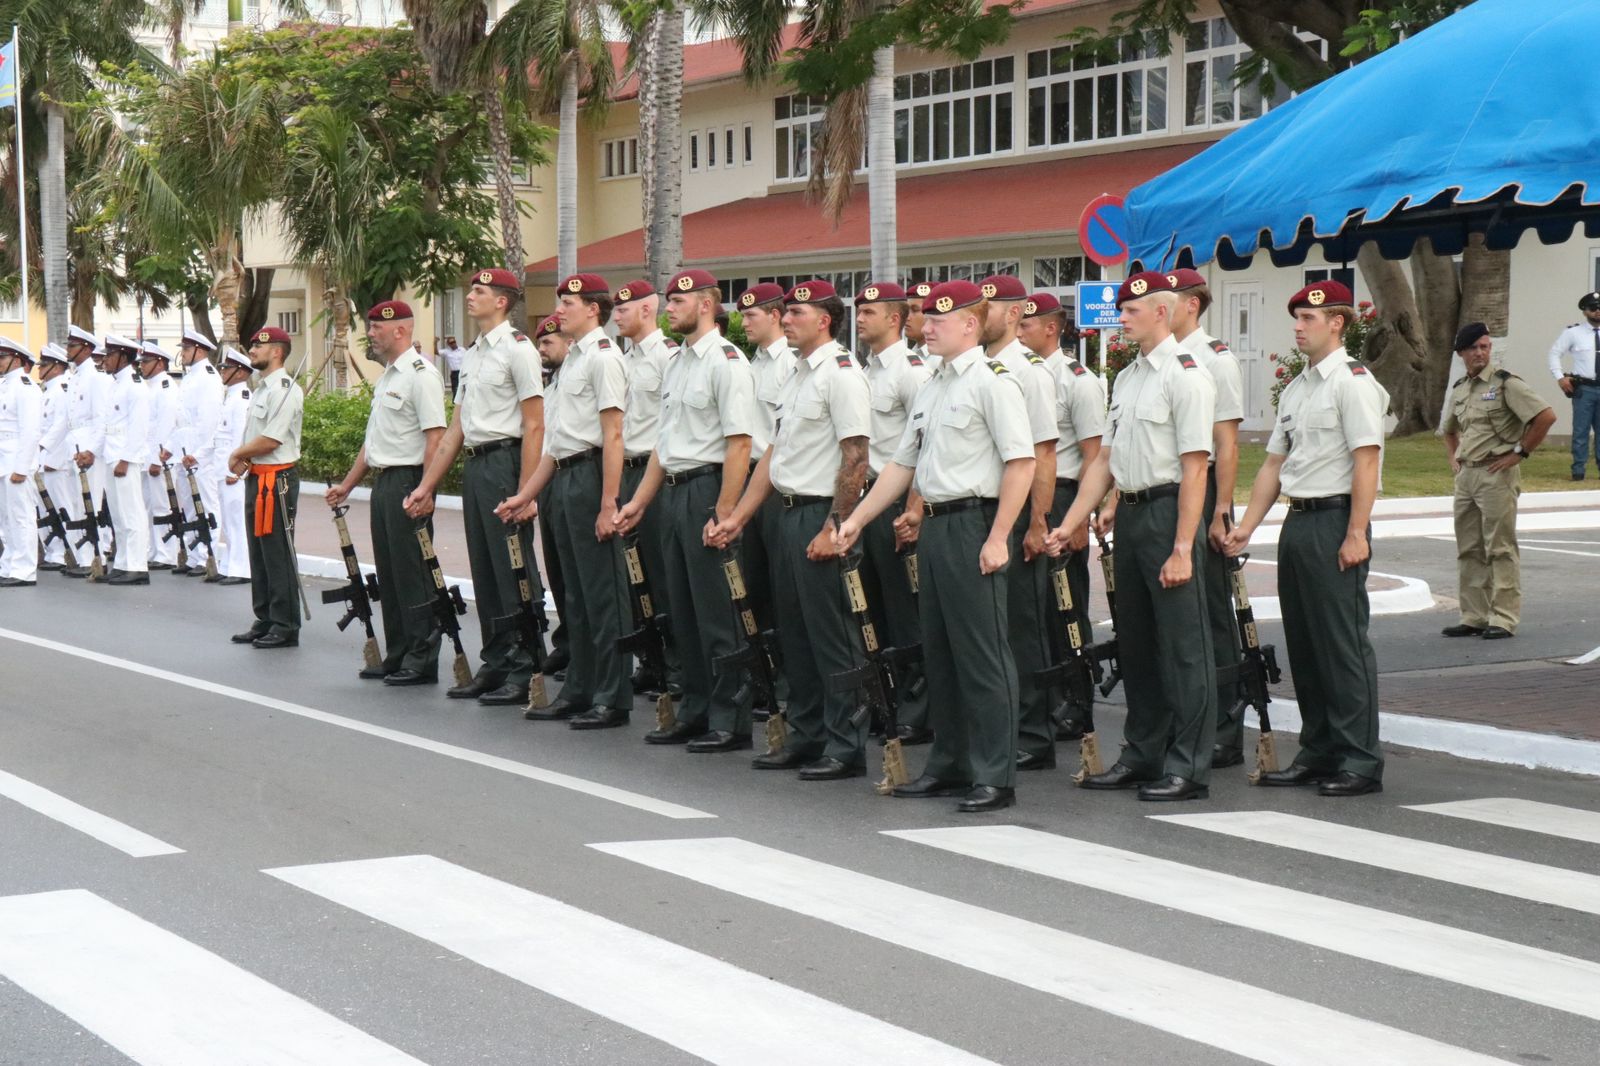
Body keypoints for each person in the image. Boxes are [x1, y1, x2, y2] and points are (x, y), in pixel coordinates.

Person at [834, 280, 1035, 813]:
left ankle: (995, 773)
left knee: (984, 654)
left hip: (975, 523)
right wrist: (857, 518)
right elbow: (902, 464)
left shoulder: (994, 383)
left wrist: (998, 537)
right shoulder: (933, 385)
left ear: (970, 324)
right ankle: (950, 764)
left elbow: (1021, 463)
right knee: (941, 652)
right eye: (927, 320)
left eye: (939, 321)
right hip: (937, 528)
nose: (927, 328)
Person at [1048, 270, 1217, 802]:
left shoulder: (1186, 375)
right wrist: (1071, 521)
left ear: (1162, 313)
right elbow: (1105, 460)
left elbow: (1195, 469)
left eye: (1130, 311)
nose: (1120, 318)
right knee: (1138, 643)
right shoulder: (1126, 378)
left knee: (1185, 647)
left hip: (1170, 513)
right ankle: (1143, 754)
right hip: (1135, 515)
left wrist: (1184, 547)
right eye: (1121, 310)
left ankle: (1188, 765)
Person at [1226, 280, 1388, 798]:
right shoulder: (1297, 388)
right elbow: (1275, 462)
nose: (1297, 326)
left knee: (1341, 647)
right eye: (1296, 317)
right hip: (1300, 521)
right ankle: (1319, 751)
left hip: (1337, 520)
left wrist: (1357, 532)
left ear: (1337, 322)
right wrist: (1248, 524)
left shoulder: (1353, 382)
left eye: (1307, 318)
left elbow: (1367, 459)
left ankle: (1359, 759)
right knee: (1306, 645)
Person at [711, 279, 872, 779]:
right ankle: (808, 735)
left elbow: (856, 457)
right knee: (795, 634)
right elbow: (774, 456)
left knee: (833, 635)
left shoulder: (841, 374)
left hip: (820, 512)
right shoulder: (798, 374)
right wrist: (737, 515)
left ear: (824, 319)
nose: (787, 319)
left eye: (797, 313)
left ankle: (845, 746)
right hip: (784, 512)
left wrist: (836, 526)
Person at [615, 268, 758, 753]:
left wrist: (723, 511)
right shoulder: (677, 364)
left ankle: (729, 718)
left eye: (678, 300)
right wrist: (638, 501)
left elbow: (740, 444)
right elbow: (664, 442)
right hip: (673, 493)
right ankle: (695, 709)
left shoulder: (728, 362)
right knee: (682, 609)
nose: (669, 307)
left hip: (706, 490)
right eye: (669, 300)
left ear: (706, 304)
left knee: (718, 612)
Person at [405, 268, 546, 706]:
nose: (470, 296)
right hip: (478, 467)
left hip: (506, 461)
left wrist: (526, 492)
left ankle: (526, 664)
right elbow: (455, 430)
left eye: (480, 291)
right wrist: (428, 486)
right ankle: (497, 660)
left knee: (514, 568)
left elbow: (535, 423)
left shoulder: (518, 349)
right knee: (485, 569)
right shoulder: (474, 353)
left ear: (502, 301)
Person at [498, 274, 632, 729]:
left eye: (569, 302)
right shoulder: (571, 362)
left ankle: (612, 697)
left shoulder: (603, 358)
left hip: (592, 476)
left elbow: (613, 435)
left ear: (594, 309)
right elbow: (554, 446)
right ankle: (579, 688)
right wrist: (524, 495)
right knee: (573, 596)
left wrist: (609, 503)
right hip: (565, 477)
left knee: (603, 596)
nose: (560, 310)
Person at [326, 301, 448, 683]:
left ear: (400, 330)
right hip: (384, 482)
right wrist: (348, 484)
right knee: (391, 572)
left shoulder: (420, 374)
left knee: (414, 572)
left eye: (377, 327)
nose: (372, 333)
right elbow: (373, 441)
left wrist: (426, 490)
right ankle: (397, 652)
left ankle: (421, 657)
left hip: (410, 480)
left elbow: (436, 438)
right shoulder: (389, 377)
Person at [978, 274, 1060, 772]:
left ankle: (1035, 733)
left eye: (987, 307)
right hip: (985, 509)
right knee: (995, 628)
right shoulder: (980, 368)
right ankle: (1005, 728)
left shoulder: (1028, 371)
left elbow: (1044, 454)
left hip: (1018, 512)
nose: (977, 316)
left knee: (1024, 626)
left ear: (1011, 313)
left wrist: (1037, 522)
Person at [1168, 268, 1247, 769]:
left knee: (1215, 614)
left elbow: (1227, 442)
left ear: (1191, 304)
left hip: (1207, 492)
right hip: (1173, 491)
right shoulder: (1162, 358)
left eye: (1168, 299)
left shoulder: (1215, 357)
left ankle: (1225, 729)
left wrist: (1221, 509)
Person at [1018, 291, 1104, 739]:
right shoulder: (1018, 375)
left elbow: (1094, 455)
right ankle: (1045, 696)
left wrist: (1079, 519)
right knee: (1034, 609)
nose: (1019, 330)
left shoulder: (1077, 380)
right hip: (1029, 497)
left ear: (1051, 327)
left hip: (1066, 496)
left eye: (1027, 324)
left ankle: (1076, 699)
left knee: (1066, 608)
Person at [853, 280, 934, 743]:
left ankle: (919, 711)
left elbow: (923, 449)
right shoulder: (864, 371)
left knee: (907, 612)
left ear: (895, 318)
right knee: (872, 610)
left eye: (871, 311)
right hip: (868, 499)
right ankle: (885, 701)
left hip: (898, 505)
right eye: (859, 310)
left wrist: (915, 509)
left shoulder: (911, 372)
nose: (861, 317)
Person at [1441, 322, 1556, 640]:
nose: (1480, 352)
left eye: (1485, 346)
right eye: (1474, 347)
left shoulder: (1506, 384)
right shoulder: (1461, 388)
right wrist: (1455, 459)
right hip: (1468, 476)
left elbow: (1545, 416)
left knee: (1500, 547)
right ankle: (1473, 616)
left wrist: (1519, 453)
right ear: (1461, 353)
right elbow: (1449, 430)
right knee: (1469, 548)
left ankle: (1503, 618)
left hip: (1496, 474)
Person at [611, 279, 682, 698]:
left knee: (660, 571)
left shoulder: (668, 357)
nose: (616, 315)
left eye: (624, 308)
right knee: (633, 570)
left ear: (646, 309)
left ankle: (674, 664)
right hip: (626, 471)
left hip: (654, 474)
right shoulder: (623, 359)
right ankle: (650, 658)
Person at [227, 326, 306, 648]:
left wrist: (237, 454)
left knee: (277, 553)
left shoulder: (286, 389)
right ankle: (266, 617)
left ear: (276, 351)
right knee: (258, 552)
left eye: (259, 346)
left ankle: (286, 624)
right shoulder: (261, 389)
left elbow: (272, 438)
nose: (252, 351)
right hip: (258, 477)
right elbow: (255, 434)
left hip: (278, 480)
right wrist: (245, 460)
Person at [733, 282, 796, 676]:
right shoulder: (749, 363)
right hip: (747, 475)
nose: (745, 322)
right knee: (751, 578)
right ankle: (765, 670)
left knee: (779, 582)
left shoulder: (791, 362)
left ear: (775, 315)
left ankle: (786, 673)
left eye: (752, 314)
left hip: (776, 480)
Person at [531, 312, 571, 674]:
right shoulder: (554, 382)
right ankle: (569, 643)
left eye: (547, 342)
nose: (541, 349)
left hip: (577, 476)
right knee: (558, 567)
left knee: (580, 575)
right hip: (552, 478)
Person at [100, 335, 153, 586]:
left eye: (110, 355)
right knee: (118, 515)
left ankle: (137, 565)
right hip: (112, 455)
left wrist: (126, 459)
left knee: (133, 513)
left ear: (123, 356)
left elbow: (138, 428)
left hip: (125, 458)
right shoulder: (114, 385)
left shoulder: (135, 385)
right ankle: (122, 562)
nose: (105, 360)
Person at [174, 329, 225, 578]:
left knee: (206, 505)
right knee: (190, 507)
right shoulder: (191, 377)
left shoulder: (208, 377)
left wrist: (198, 454)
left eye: (185, 349)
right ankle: (194, 557)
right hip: (185, 454)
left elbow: (208, 422)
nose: (181, 354)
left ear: (199, 350)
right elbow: (182, 421)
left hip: (200, 456)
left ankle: (207, 555)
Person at [64, 326, 112, 580]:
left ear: (86, 349)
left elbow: (102, 418)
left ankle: (97, 556)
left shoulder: (97, 378)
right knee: (76, 503)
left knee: (90, 502)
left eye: (72, 346)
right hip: (74, 444)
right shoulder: (75, 377)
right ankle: (83, 556)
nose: (68, 350)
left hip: (89, 446)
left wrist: (92, 450)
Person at [0, 338, 42, 587]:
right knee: (5, 518)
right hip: (3, 461)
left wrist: (22, 467)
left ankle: (24, 570)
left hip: (16, 461)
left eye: (2, 358)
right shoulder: (4, 387)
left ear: (16, 360)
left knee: (22, 517)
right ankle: (9, 565)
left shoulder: (27, 388)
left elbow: (30, 431)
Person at [139, 341, 183, 571]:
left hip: (160, 459)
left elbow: (166, 425)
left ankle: (166, 553)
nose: (142, 366)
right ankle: (154, 550)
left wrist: (158, 459)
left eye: (145, 362)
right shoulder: (151, 388)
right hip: (147, 459)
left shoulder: (166, 387)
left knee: (162, 506)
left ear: (159, 363)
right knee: (149, 506)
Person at [1547, 291, 1600, 481]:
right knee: (1581, 431)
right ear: (1585, 311)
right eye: (1593, 308)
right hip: (1584, 389)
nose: (1598, 312)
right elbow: (1554, 353)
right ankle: (1578, 471)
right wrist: (1560, 377)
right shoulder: (1573, 333)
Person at [34, 343, 78, 573]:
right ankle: (54, 552)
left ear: (58, 367)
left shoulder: (62, 389)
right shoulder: (48, 390)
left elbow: (62, 425)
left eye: (45, 365)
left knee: (61, 505)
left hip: (55, 460)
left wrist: (48, 452)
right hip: (43, 458)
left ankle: (65, 551)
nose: (40, 369)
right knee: (44, 508)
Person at [212, 346, 253, 586]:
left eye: (226, 368)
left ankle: (242, 568)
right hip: (222, 468)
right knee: (228, 521)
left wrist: (235, 471)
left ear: (240, 372)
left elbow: (242, 437)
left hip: (234, 472)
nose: (222, 372)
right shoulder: (230, 397)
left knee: (237, 521)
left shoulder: (242, 400)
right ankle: (228, 565)